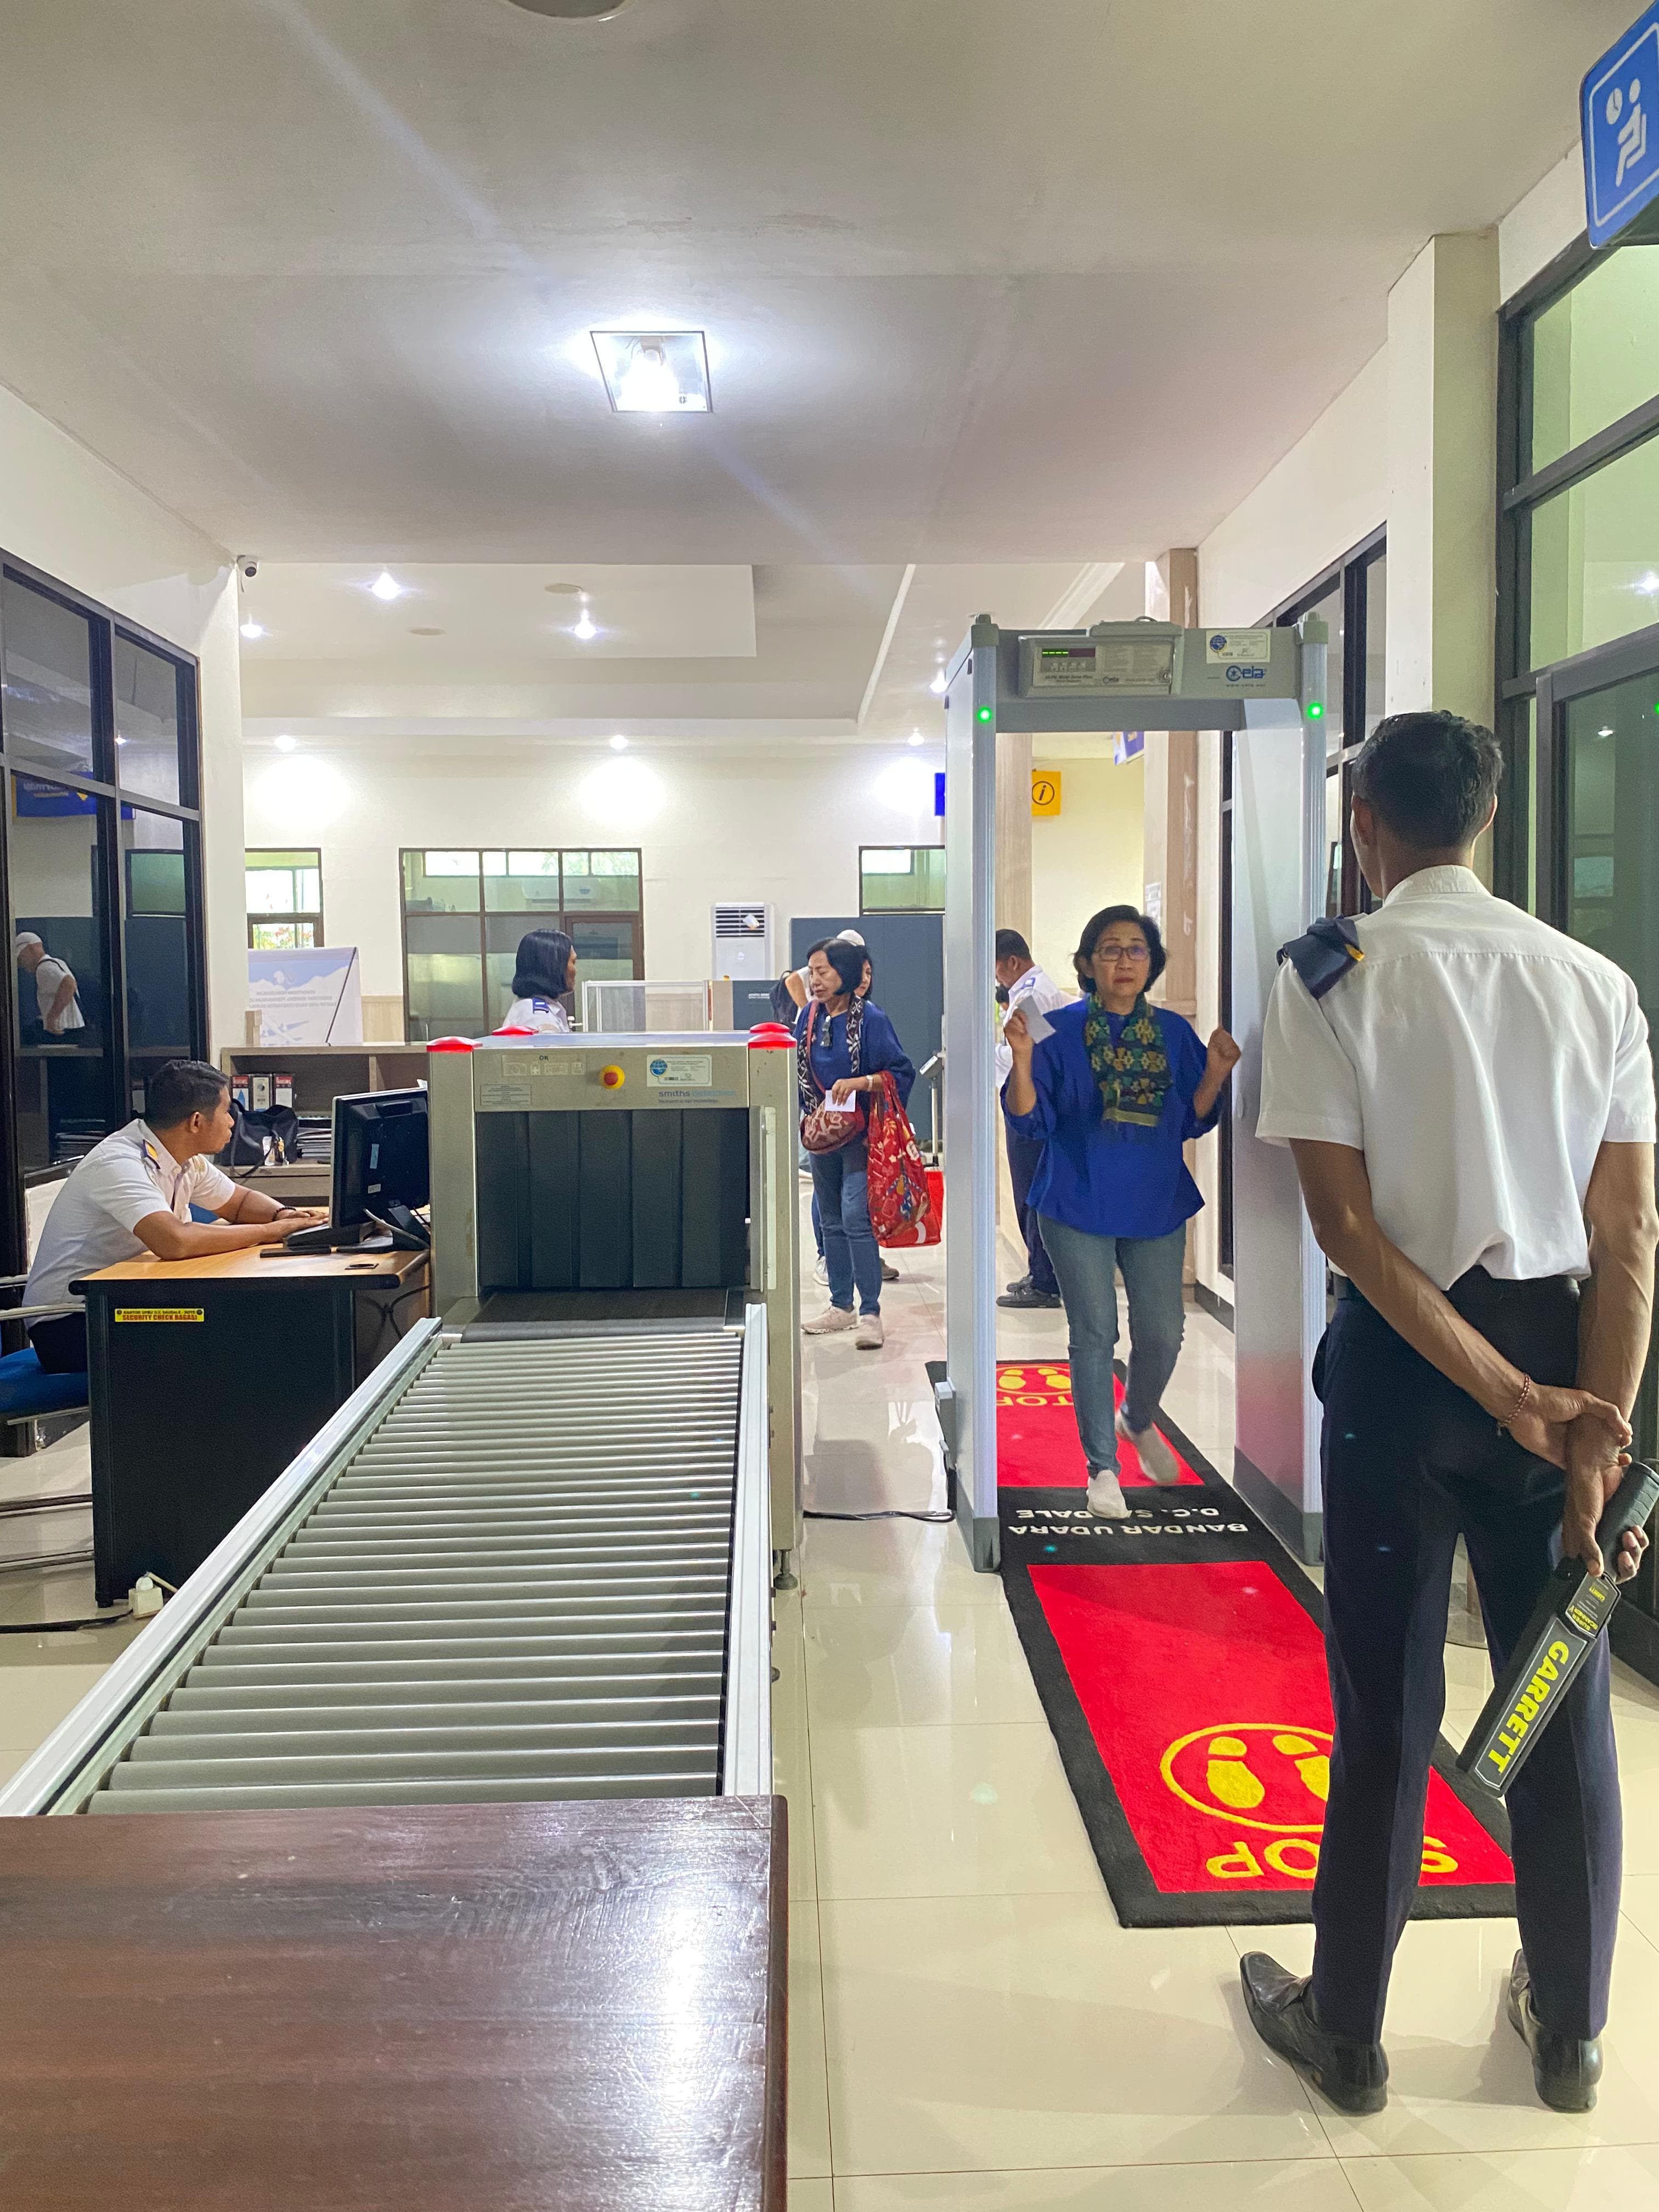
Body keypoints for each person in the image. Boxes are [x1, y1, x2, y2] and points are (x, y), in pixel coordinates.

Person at [1240, 709, 1656, 2120]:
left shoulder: (1328, 976)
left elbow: (1349, 1234)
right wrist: (1594, 1421)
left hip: (1407, 1384)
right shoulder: (1593, 981)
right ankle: (1572, 2032)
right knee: (1564, 1702)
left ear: (1364, 825)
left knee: (1386, 1709)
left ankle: (1347, 2029)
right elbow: (1630, 1229)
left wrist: (1516, 1396)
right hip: (1561, 1360)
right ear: (1482, 819)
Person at [1003, 905, 1239, 1517]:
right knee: (1094, 1332)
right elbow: (1030, 1118)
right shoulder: (1055, 1028)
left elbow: (1193, 1118)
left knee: (1163, 1330)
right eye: (1110, 949)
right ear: (1086, 964)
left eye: (1137, 949)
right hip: (1075, 1198)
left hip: (1155, 1200)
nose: (1125, 961)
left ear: (1152, 962)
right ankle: (1101, 1469)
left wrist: (1214, 1074)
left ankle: (1136, 1417)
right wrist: (1024, 1059)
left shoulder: (1173, 1033)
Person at [22, 1059, 326, 1374]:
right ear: (196, 1122)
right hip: (71, 1323)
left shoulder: (183, 1159)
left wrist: (283, 1214)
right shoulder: (120, 1162)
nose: (233, 1123)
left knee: (244, 1322)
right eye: (226, 1113)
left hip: (123, 1301)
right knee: (232, 1338)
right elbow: (175, 1241)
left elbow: (238, 1202)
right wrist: (272, 1232)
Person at [797, 937, 915, 1351]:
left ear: (846, 973)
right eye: (812, 972)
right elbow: (801, 1072)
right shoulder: (809, 1017)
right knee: (829, 1220)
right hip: (822, 1134)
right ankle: (840, 1305)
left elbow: (900, 1074)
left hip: (864, 1137)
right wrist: (814, 1119)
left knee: (854, 1218)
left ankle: (870, 1313)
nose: (816, 980)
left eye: (824, 971)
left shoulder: (872, 1020)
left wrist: (861, 1083)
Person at [994, 927, 1073, 1309]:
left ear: (1012, 961)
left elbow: (1032, 1047)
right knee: (1028, 1188)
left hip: (1031, 1098)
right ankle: (1039, 1270)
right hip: (1027, 1095)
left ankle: (1045, 1282)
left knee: (1032, 1189)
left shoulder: (1033, 993)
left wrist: (987, 1055)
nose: (996, 978)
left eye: (997, 969)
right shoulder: (1027, 991)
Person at [501, 928, 575, 1032]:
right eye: (573, 962)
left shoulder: (537, 1007)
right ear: (554, 967)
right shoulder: (537, 1016)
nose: (575, 970)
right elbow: (551, 1048)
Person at [14, 932, 84, 1037]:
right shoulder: (57, 962)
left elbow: (69, 984)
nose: (20, 964)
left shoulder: (44, 968)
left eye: (21, 958)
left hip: (62, 1030)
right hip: (72, 1027)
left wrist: (52, 1017)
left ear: (31, 949)